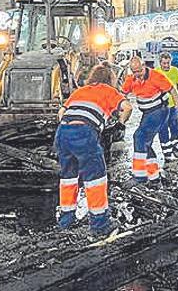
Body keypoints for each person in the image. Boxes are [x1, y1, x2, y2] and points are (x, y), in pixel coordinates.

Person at [55, 65, 133, 235]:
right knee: (95, 178)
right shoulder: (108, 90)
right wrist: (120, 124)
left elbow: (61, 112)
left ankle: (66, 220)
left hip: (62, 133)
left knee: (68, 178)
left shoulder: (80, 91)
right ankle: (100, 224)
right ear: (109, 79)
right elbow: (127, 108)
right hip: (84, 133)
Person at [121, 56, 178, 184]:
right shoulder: (131, 79)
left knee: (139, 137)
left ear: (144, 66)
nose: (138, 74)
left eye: (139, 71)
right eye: (134, 72)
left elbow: (173, 90)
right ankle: (154, 176)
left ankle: (139, 177)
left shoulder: (155, 76)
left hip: (159, 111)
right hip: (147, 113)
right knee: (146, 144)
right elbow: (123, 93)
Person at [155, 52, 178, 162]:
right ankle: (167, 153)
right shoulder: (156, 72)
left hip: (173, 105)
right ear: (160, 63)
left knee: (175, 127)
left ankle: (175, 147)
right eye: (164, 63)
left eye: (168, 63)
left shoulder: (175, 71)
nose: (166, 65)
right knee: (163, 130)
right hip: (160, 108)